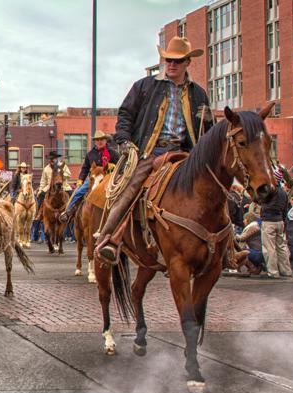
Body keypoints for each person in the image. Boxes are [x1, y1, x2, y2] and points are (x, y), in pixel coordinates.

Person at [95, 36, 213, 262]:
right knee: (131, 189)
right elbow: (125, 115)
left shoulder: (199, 94)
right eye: (168, 60)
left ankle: (229, 245)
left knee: (214, 186)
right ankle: (109, 238)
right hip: (150, 152)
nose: (172, 65)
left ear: (188, 62)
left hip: (187, 154)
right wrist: (125, 142)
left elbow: (208, 129)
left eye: (178, 61)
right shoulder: (145, 86)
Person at [61, 130, 120, 221]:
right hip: (93, 178)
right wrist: (80, 180)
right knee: (78, 192)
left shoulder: (113, 153)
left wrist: (114, 169)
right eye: (97, 140)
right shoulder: (90, 154)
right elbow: (85, 168)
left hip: (109, 178)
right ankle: (69, 212)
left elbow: (120, 166)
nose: (99, 141)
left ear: (105, 140)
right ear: (95, 142)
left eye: (101, 139)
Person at [260, 185, 292, 278]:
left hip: (269, 221)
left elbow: (261, 201)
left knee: (269, 248)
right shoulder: (283, 192)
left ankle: (273, 272)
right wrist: (283, 220)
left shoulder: (269, 190)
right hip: (280, 220)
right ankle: (286, 270)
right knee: (281, 247)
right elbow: (285, 208)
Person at [35, 151, 73, 220]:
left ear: (56, 159)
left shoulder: (62, 166)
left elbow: (69, 175)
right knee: (40, 196)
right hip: (49, 187)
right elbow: (43, 181)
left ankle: (72, 212)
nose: (52, 160)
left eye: (53, 158)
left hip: (63, 185)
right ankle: (39, 213)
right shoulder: (46, 169)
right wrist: (40, 190)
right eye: (50, 159)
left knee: (72, 195)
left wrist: (60, 176)